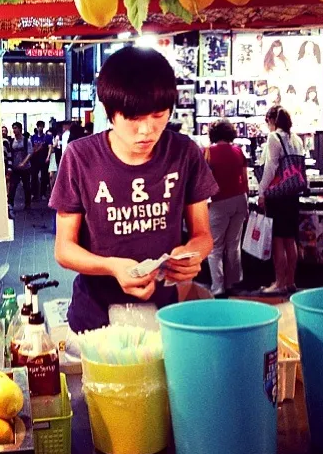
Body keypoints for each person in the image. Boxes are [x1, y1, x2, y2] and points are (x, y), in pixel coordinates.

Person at [49, 46, 218, 334]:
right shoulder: (80, 157)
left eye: (157, 115)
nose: (147, 130)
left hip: (166, 314)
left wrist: (192, 254)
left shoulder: (184, 153)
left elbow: (203, 236)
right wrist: (113, 266)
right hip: (96, 319)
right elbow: (64, 249)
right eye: (133, 118)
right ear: (109, 113)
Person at [257, 106, 305, 295]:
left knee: (278, 239)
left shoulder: (273, 138)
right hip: (292, 193)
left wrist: (261, 191)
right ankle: (290, 281)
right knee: (290, 238)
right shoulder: (296, 139)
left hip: (277, 195)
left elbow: (270, 168)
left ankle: (279, 282)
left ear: (271, 120)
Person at [204, 120, 249, 297]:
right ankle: (233, 282)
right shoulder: (238, 151)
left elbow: (204, 180)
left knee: (215, 247)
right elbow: (244, 179)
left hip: (218, 201)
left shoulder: (208, 152)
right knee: (233, 244)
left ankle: (218, 287)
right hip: (239, 199)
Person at [8, 122, 33, 211]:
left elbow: (30, 153)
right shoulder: (12, 141)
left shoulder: (27, 141)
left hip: (25, 168)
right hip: (15, 168)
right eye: (13, 128)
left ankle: (28, 204)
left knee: (26, 186)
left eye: (16, 128)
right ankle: (10, 203)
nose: (14, 130)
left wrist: (23, 162)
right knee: (12, 186)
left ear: (20, 129)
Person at [30, 120, 53, 201]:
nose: (40, 127)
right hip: (34, 160)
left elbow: (50, 147)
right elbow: (31, 149)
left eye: (41, 126)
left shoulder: (47, 137)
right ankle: (34, 194)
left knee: (44, 177)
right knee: (34, 177)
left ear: (43, 127)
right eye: (39, 126)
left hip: (43, 159)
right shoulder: (33, 137)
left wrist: (48, 157)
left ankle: (43, 193)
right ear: (37, 127)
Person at [48, 123, 62, 194]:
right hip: (50, 156)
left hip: (54, 156)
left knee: (52, 174)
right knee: (51, 175)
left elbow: (55, 145)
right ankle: (52, 189)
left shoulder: (56, 137)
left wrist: (50, 146)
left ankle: (53, 189)